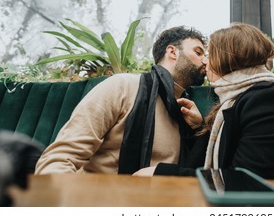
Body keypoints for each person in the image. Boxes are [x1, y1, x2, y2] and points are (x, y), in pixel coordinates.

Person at [135, 23, 274, 184]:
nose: (205, 62)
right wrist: (200, 127)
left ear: (229, 59)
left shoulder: (268, 99)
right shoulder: (234, 100)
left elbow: (249, 181)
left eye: (210, 54)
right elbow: (213, 161)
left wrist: (160, 173)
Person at [35, 26, 209, 175]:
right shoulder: (123, 86)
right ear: (172, 52)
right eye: (198, 52)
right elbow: (59, 159)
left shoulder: (188, 113)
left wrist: (197, 129)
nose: (205, 61)